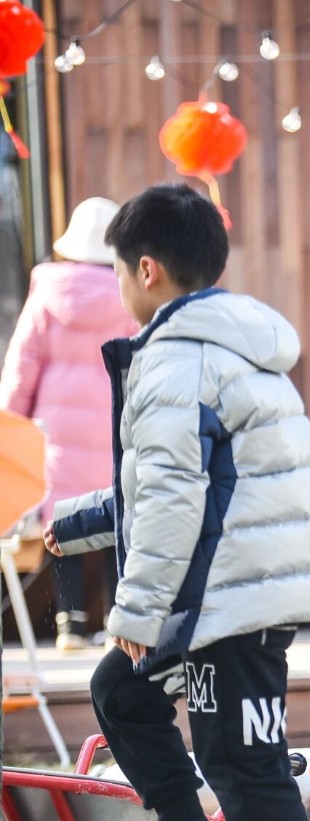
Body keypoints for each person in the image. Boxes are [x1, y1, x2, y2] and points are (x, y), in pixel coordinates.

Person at [46, 184, 310, 821]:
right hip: (223, 584)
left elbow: (177, 499)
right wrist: (74, 525)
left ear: (147, 271)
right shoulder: (233, 348)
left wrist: (137, 612)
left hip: (230, 595)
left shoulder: (179, 361)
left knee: (239, 755)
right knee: (120, 690)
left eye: (114, 272)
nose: (116, 288)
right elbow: (174, 487)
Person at [0, 197, 137, 649]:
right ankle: (119, 619)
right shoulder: (129, 291)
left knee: (65, 520)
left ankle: (70, 625)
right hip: (113, 425)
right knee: (119, 516)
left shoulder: (48, 293)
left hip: (55, 430)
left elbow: (22, 365)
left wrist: (11, 418)